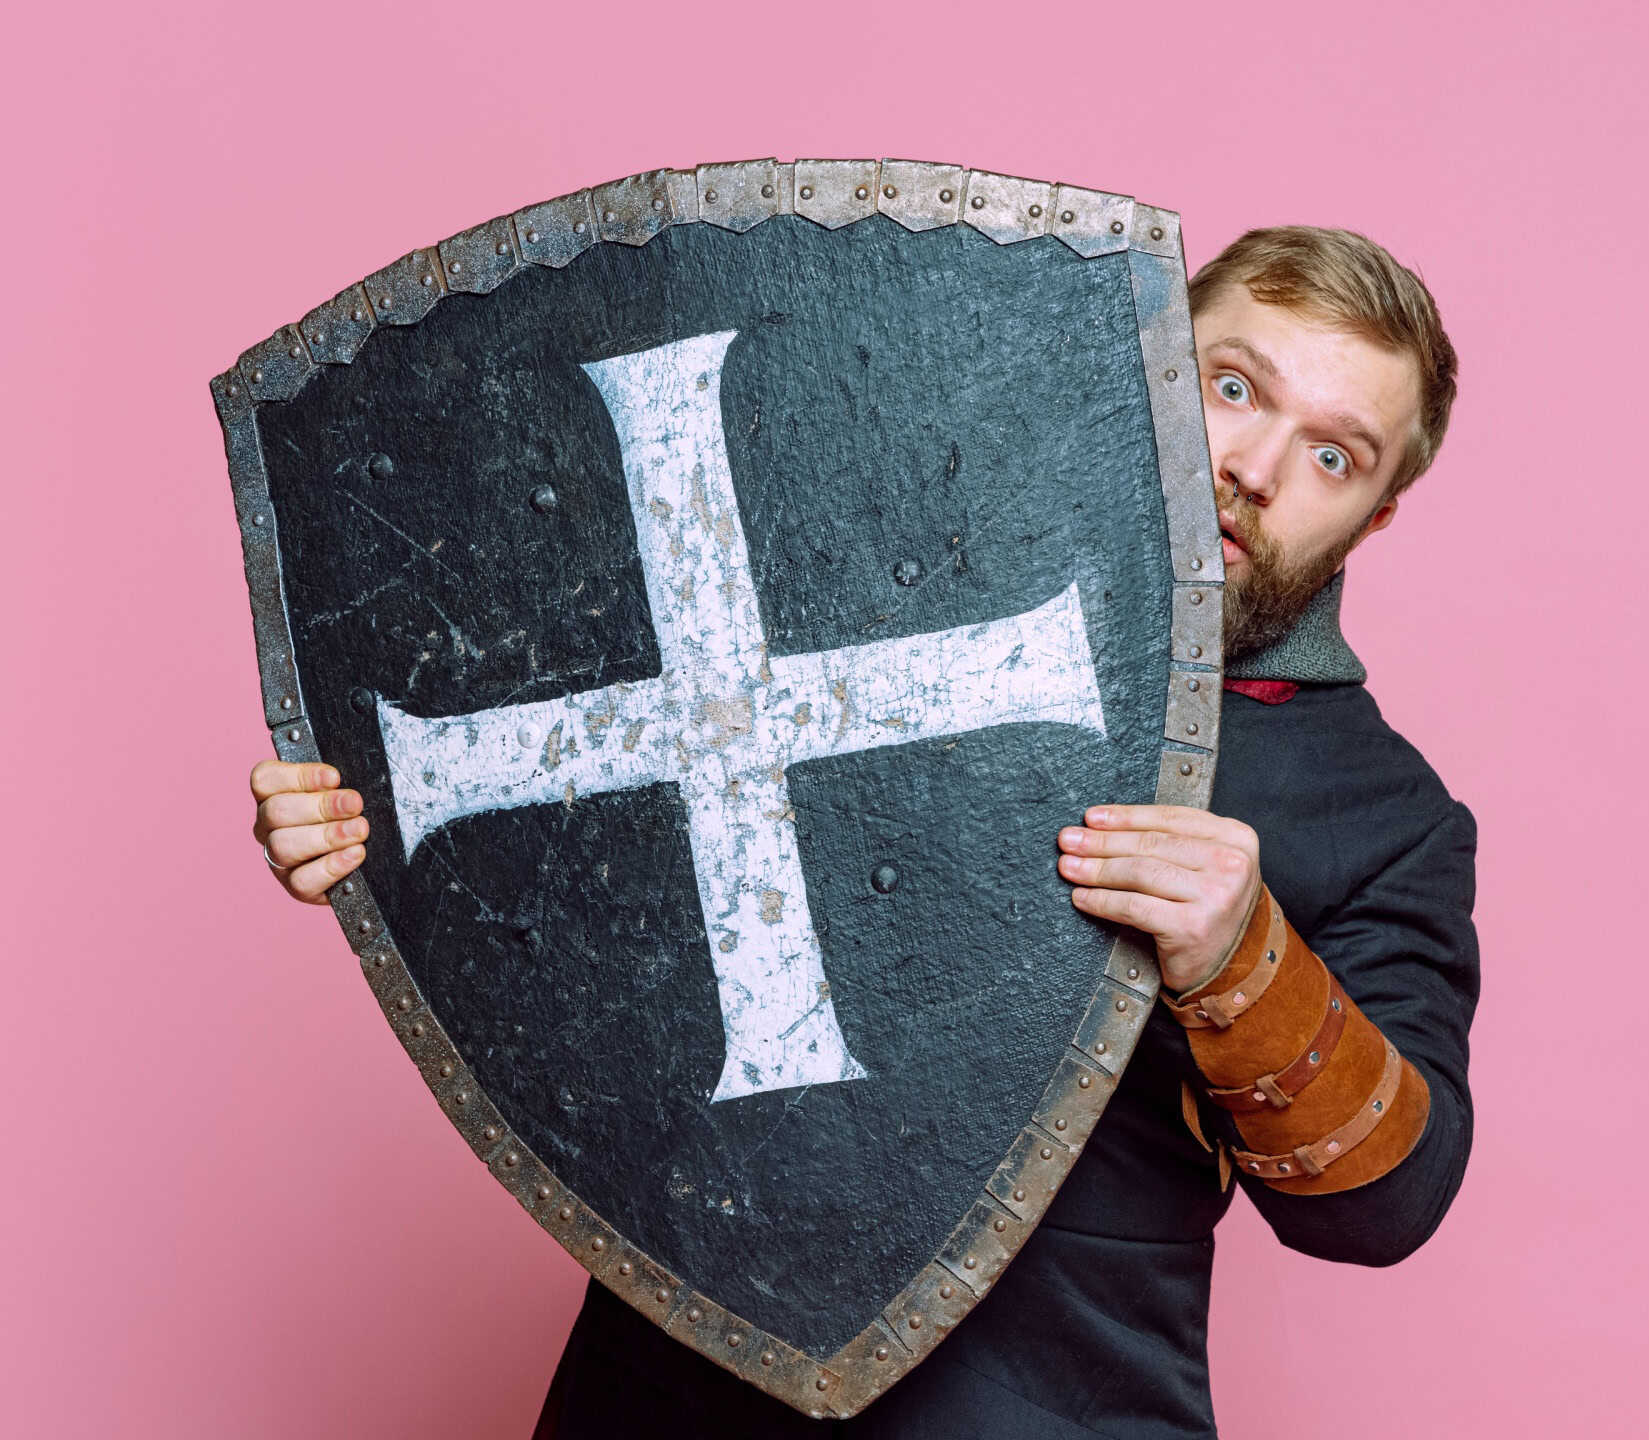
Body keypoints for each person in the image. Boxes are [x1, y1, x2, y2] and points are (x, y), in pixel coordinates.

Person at [248, 225, 1476, 1439]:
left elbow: (1387, 1208)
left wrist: (1243, 963)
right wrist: (380, 816)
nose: (1254, 465)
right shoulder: (870, 553)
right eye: (1230, 386)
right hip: (673, 1391)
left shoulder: (1383, 816)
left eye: (1333, 455)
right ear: (1133, 359)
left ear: (1372, 520)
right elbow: (578, 710)